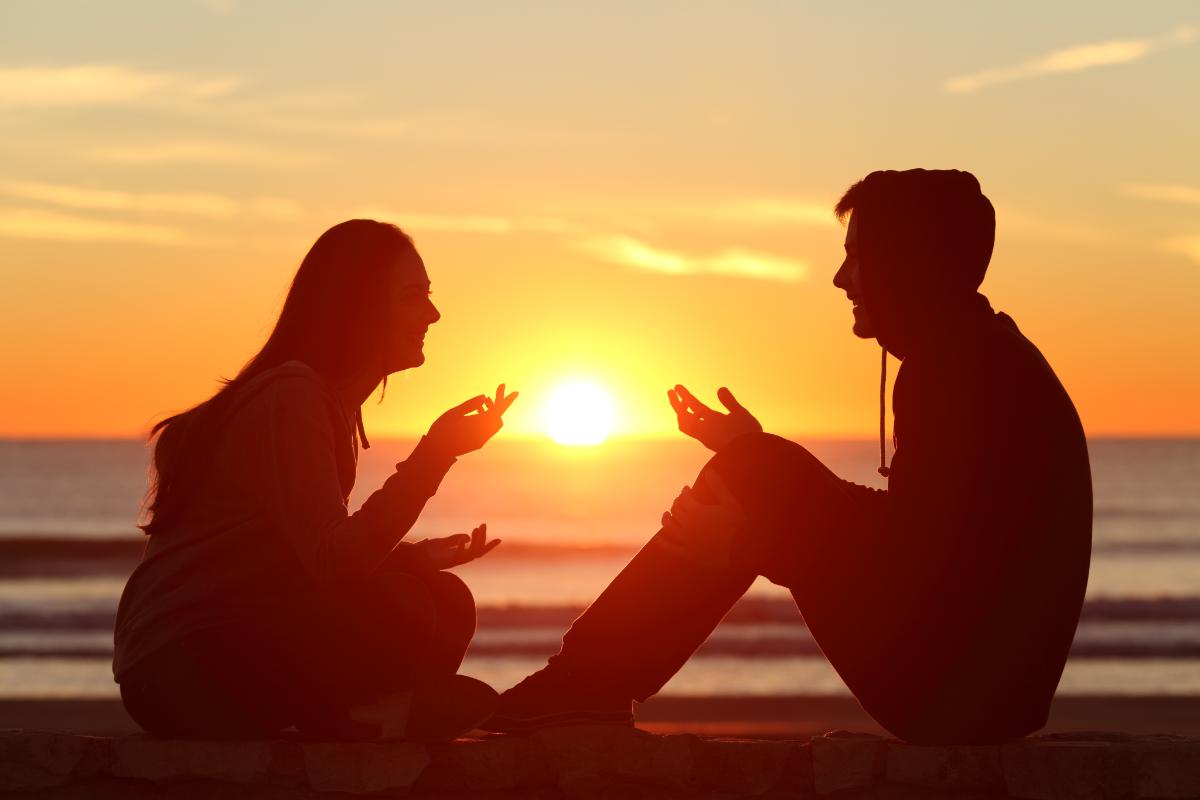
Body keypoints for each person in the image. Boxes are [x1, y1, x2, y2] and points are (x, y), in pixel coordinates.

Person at [485, 169, 1092, 745]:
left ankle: (583, 686)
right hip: (980, 687)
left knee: (759, 469)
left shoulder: (958, 370)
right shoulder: (976, 353)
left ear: (906, 266)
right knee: (758, 466)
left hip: (960, 693)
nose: (840, 278)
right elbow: (929, 534)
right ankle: (586, 684)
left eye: (856, 256)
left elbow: (923, 556)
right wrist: (761, 471)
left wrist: (767, 510)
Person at [114, 220, 517, 741]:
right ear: (359, 306)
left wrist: (409, 557)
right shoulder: (292, 396)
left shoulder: (322, 401)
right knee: (406, 606)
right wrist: (434, 455)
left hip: (236, 640)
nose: (433, 314)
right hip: (178, 669)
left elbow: (296, 560)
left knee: (445, 600)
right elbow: (332, 565)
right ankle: (365, 717)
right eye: (414, 297)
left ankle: (365, 715)